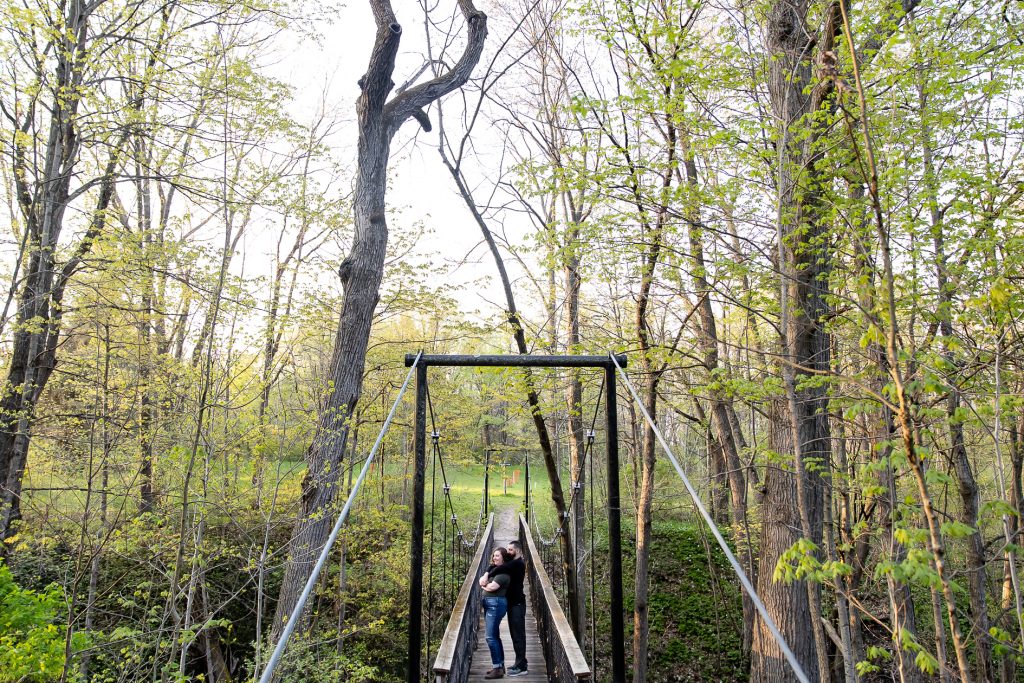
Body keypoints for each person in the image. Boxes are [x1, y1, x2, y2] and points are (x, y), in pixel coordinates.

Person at [480, 541, 527, 677]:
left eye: (510, 549)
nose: (508, 551)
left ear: (517, 551)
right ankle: (517, 663)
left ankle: (521, 666)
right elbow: (494, 566)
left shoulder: (517, 563)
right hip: (511, 603)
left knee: (518, 635)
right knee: (514, 634)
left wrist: (486, 576)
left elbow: (499, 568)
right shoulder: (511, 564)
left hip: (517, 604)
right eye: (507, 549)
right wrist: (487, 573)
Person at [481, 548, 512, 679]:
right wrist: (486, 577)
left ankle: (497, 668)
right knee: (495, 636)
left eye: (498, 556)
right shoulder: (494, 569)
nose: (495, 558)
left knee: (490, 637)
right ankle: (499, 665)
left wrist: (484, 586)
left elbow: (492, 587)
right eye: (494, 555)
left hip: (496, 604)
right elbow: (481, 581)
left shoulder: (503, 572)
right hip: (490, 604)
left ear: (503, 557)